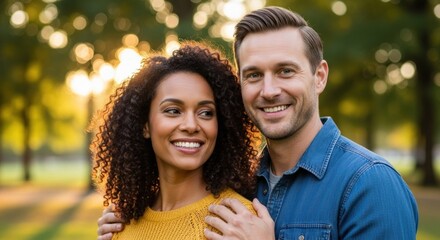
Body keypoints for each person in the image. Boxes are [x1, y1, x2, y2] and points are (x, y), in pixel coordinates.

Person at [97, 6, 419, 240]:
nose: (269, 90)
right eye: (253, 75)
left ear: (319, 76)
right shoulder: (244, 182)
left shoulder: (368, 184)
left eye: (285, 71)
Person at [91, 41, 260, 240]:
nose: (191, 125)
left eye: (206, 113)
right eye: (173, 111)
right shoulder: (121, 225)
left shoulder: (237, 225)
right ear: (145, 125)